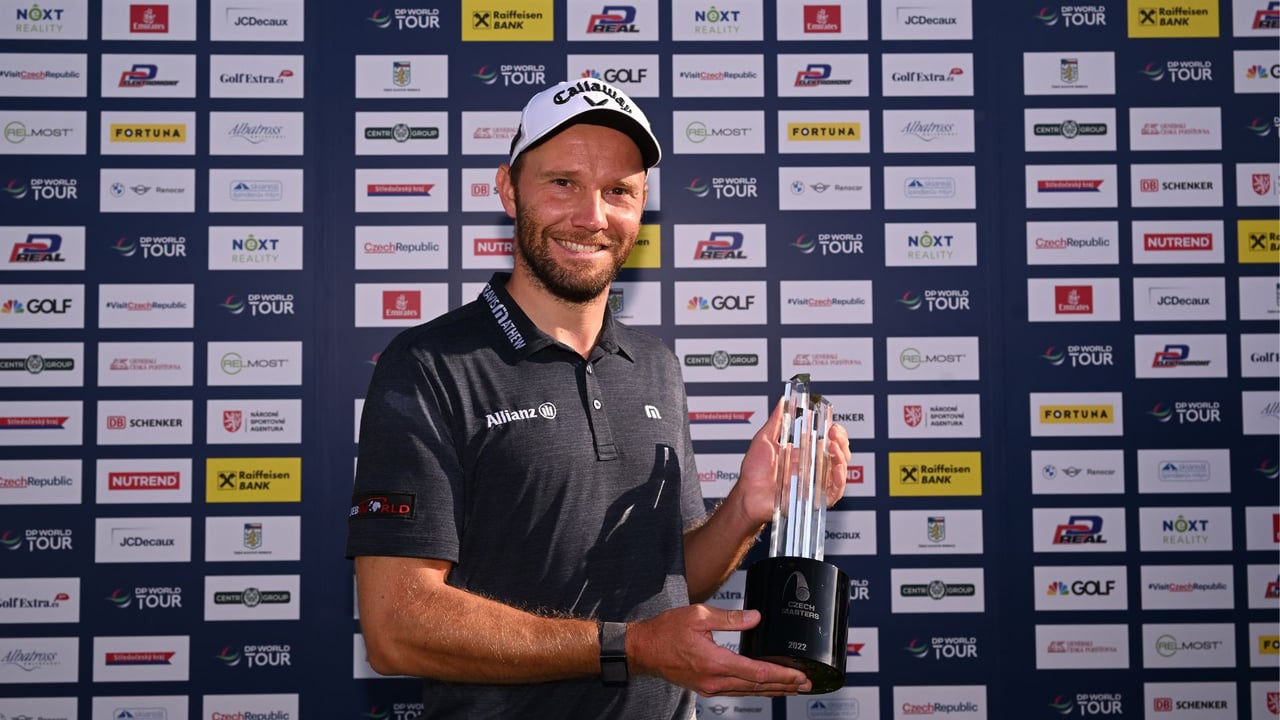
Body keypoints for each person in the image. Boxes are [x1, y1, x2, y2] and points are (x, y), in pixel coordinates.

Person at [346, 78, 852, 719]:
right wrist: (631, 647)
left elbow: (670, 585)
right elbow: (397, 627)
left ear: (642, 208)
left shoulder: (655, 366)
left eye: (619, 191)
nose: (592, 216)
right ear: (508, 189)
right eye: (563, 183)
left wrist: (749, 510)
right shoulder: (427, 366)